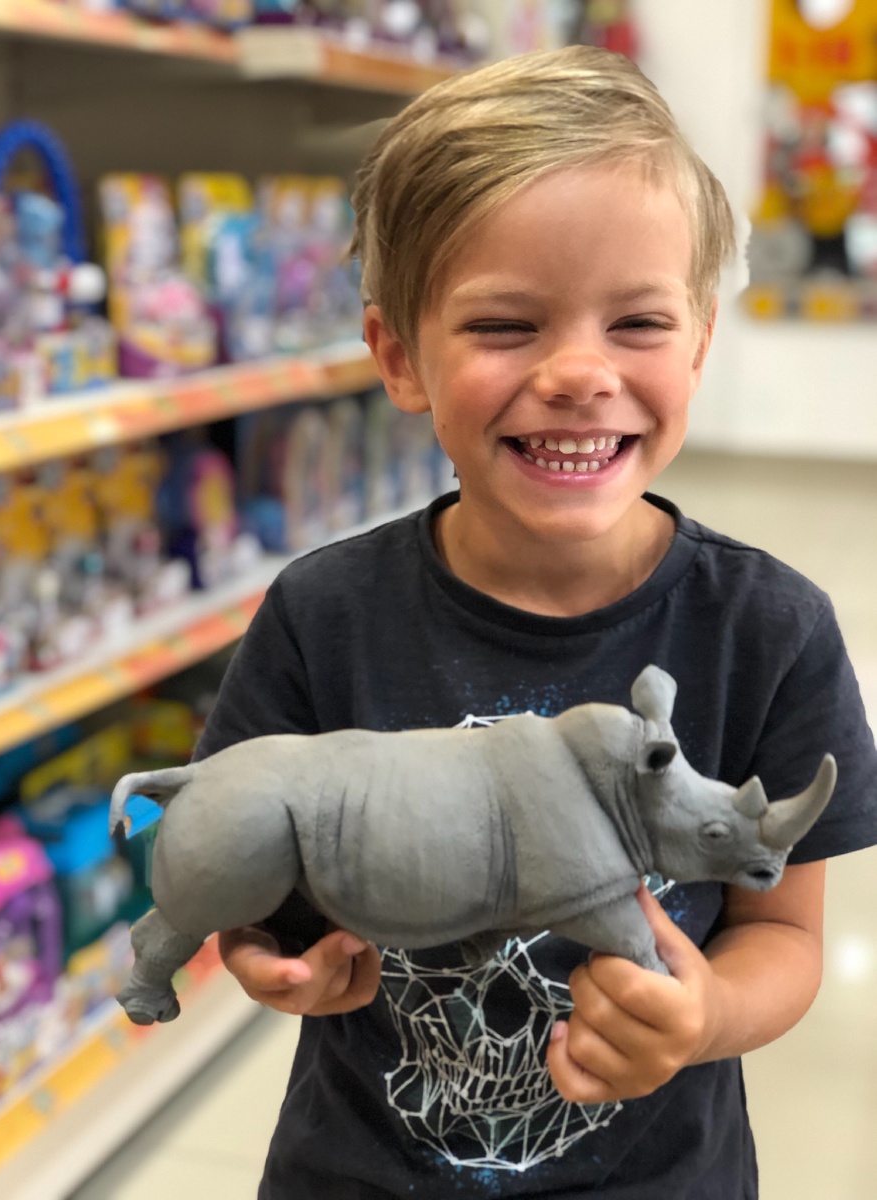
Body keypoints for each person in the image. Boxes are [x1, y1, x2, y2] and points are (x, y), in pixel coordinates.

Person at [194, 44, 877, 1199]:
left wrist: (707, 1012)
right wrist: (266, 950)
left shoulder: (769, 630)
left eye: (639, 323)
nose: (577, 373)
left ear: (700, 341)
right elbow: (249, 860)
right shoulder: (321, 616)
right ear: (400, 357)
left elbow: (787, 936)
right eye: (507, 325)